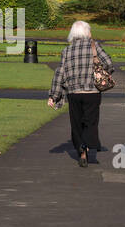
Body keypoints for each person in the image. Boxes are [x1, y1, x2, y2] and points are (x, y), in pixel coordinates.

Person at [48, 20, 117, 167]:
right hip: (92, 91)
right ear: (87, 32)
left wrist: (53, 95)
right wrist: (102, 73)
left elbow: (60, 72)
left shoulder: (67, 51)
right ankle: (87, 142)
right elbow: (109, 64)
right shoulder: (94, 46)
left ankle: (81, 150)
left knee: (76, 122)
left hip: (73, 92)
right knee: (90, 121)